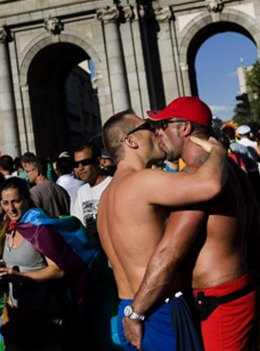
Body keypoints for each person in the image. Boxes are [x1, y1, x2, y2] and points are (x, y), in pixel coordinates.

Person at [124, 97, 260, 351]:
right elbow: (257, 239)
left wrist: (134, 311)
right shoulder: (232, 169)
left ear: (184, 128)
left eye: (162, 125)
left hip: (219, 300)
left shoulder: (195, 178)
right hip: (239, 290)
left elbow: (170, 252)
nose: (157, 132)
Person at [98, 109, 227, 351]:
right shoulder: (142, 181)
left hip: (128, 308)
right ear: (131, 140)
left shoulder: (107, 195)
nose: (157, 131)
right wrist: (219, 151)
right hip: (157, 309)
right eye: (147, 126)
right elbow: (210, 184)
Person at [0, 177, 71, 351]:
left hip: (45, 317)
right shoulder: (8, 229)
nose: (11, 208)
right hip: (17, 315)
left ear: (27, 198)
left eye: (16, 201)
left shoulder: (39, 228)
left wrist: (20, 277)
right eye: (6, 203)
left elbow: (58, 270)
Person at [72, 144, 112, 236]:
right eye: (76, 164)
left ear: (98, 162)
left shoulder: (113, 185)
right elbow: (78, 225)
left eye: (85, 162)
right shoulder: (81, 191)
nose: (80, 168)